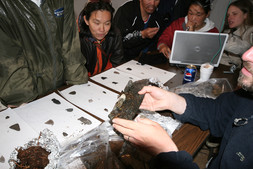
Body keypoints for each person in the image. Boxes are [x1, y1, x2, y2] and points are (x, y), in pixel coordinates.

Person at [112, 45, 253, 169]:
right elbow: (218, 112)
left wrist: (167, 153)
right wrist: (172, 101)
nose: (246, 55)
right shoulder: (247, 99)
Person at [0, 0, 88, 107]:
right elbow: (10, 62)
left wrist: (79, 86)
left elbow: (70, 46)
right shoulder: (4, 5)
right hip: (25, 96)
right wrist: (24, 101)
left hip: (59, 86)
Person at [77, 0, 124, 77]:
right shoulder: (77, 39)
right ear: (86, 20)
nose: (102, 29)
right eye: (97, 23)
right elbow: (77, 73)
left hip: (107, 78)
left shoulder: (114, 34)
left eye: (107, 23)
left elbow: (117, 62)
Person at [220, 0, 253, 67]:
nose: (229, 18)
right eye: (228, 15)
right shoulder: (227, 31)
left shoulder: (250, 32)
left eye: (234, 14)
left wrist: (221, 41)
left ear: (245, 15)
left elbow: (245, 48)